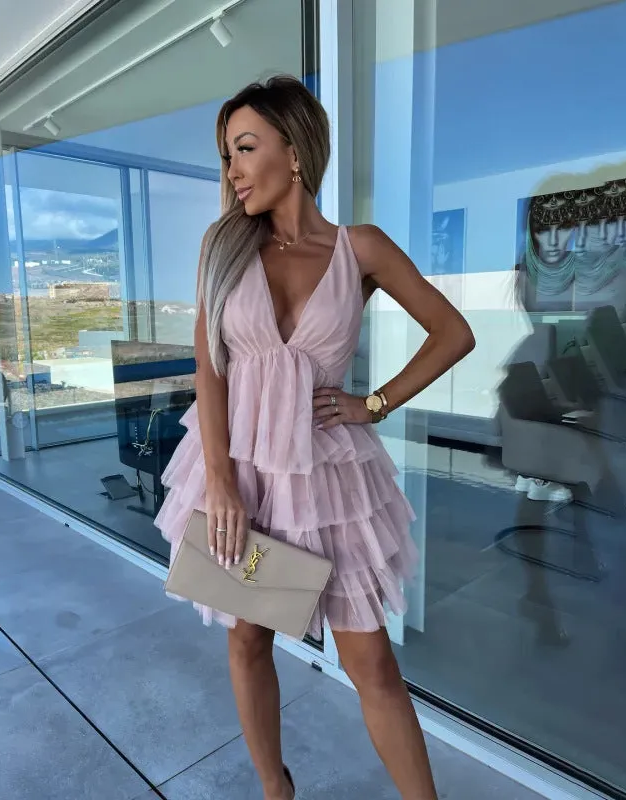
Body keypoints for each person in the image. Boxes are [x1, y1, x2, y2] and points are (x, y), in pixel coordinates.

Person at [154, 75, 475, 800]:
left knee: (373, 666)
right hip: (239, 470)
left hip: (326, 477)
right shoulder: (222, 246)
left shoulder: (360, 249)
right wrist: (222, 482)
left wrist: (375, 403)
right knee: (248, 637)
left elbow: (452, 332)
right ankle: (277, 790)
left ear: (294, 150)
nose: (232, 170)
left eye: (245, 148)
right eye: (227, 154)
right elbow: (210, 371)